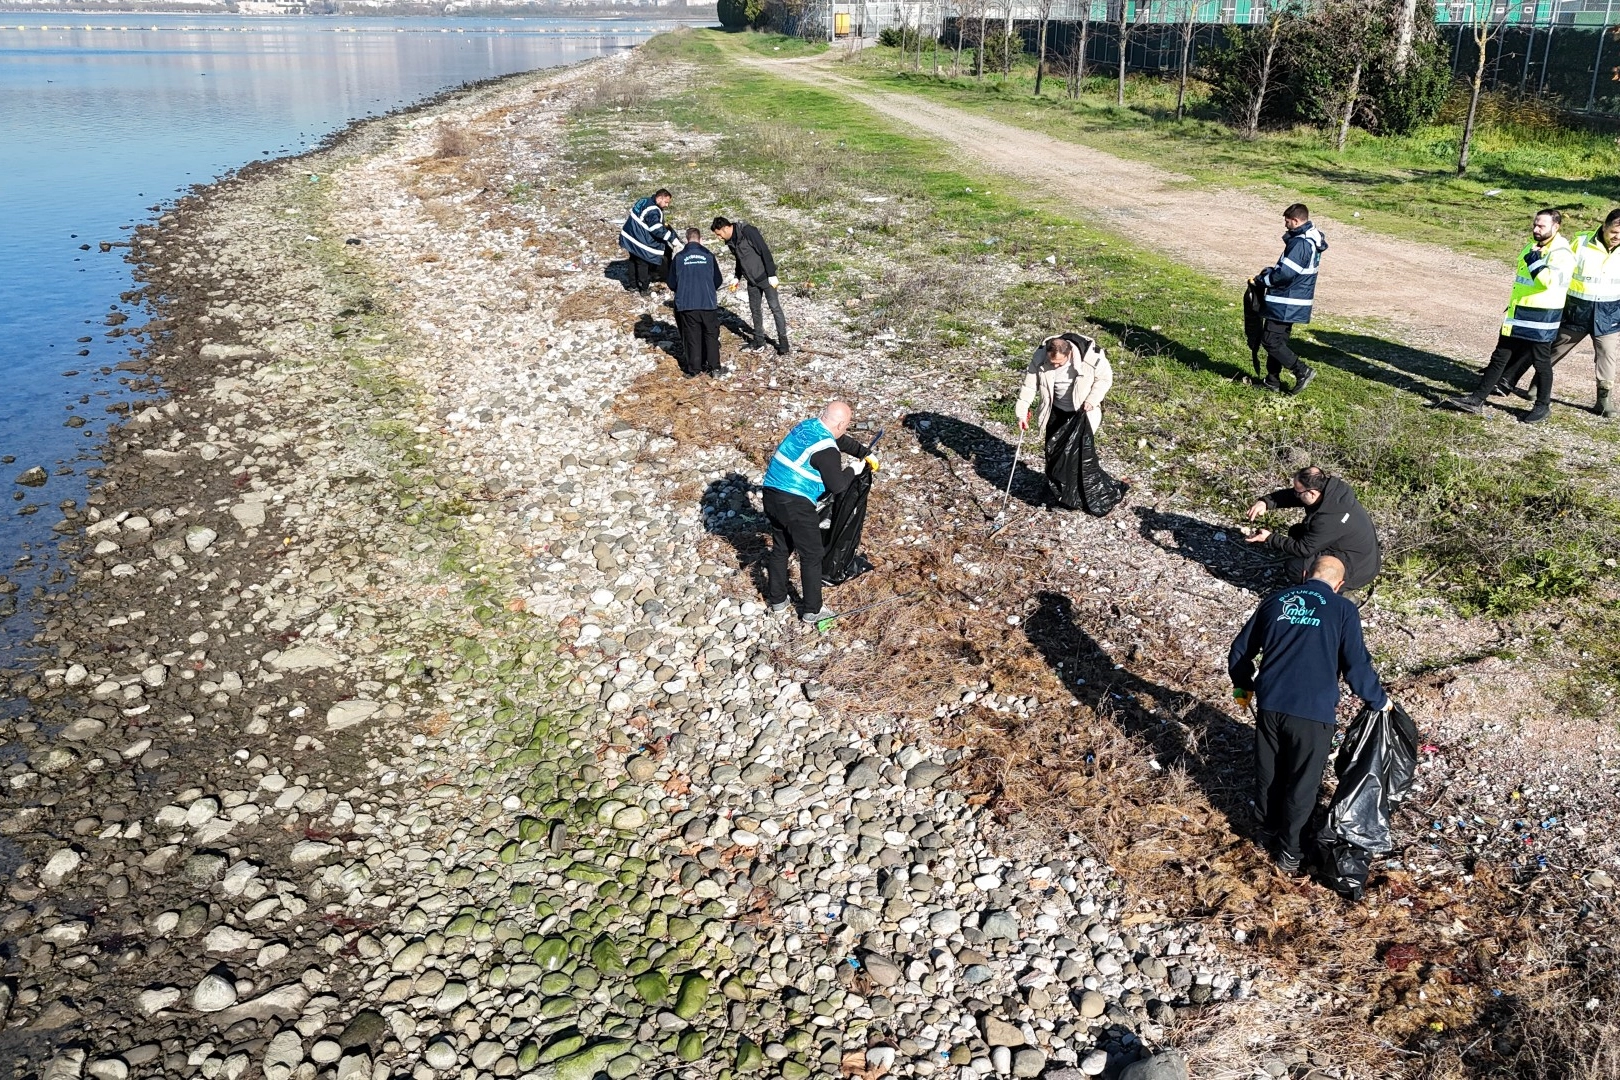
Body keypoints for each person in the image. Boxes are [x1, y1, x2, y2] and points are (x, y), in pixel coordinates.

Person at [1228, 555, 1390, 875]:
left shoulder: (1275, 600)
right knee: (1302, 784)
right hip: (1313, 713)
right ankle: (1289, 852)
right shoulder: (1343, 609)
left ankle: (1265, 832)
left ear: (1305, 575)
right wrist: (1379, 701)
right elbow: (1356, 668)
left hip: (1271, 705)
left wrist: (1242, 690)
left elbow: (1239, 653)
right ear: (1340, 585)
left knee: (1269, 772)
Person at [1439, 208, 1575, 424]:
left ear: (1556, 227)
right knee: (1499, 356)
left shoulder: (1562, 254)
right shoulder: (1533, 247)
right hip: (1518, 312)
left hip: (1541, 317)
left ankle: (1542, 406)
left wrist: (1534, 259)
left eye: (1541, 226)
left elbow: (1548, 281)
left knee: (1541, 363)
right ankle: (1476, 399)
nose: (1536, 229)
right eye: (1534, 224)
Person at [761, 401, 878, 624]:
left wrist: (863, 452)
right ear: (842, 423)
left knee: (781, 547)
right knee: (812, 555)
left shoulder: (808, 426)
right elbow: (838, 486)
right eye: (846, 425)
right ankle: (812, 610)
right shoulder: (827, 451)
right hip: (795, 503)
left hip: (771, 494)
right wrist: (854, 469)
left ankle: (777, 600)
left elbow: (838, 439)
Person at [1499, 207, 1620, 417]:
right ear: (1604, 226)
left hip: (1609, 313)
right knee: (1553, 348)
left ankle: (1604, 400)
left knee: (1607, 355)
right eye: (1614, 232)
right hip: (1576, 309)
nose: (1617, 238)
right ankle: (1537, 384)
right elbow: (1558, 267)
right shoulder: (1581, 242)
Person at [1014, 332, 1126, 516]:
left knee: (1074, 456)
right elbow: (1029, 385)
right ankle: (1058, 489)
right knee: (1054, 451)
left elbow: (1105, 379)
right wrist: (1021, 414)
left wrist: (1092, 399)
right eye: (1052, 363)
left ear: (1070, 354)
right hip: (1055, 410)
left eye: (1059, 363)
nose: (1054, 366)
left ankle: (1071, 498)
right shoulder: (1041, 356)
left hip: (1082, 413)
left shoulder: (1092, 357)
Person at [1244, 466, 1380, 592]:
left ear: (1313, 493)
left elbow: (1303, 548)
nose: (1295, 495)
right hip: (1355, 553)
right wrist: (1266, 502)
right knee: (1297, 531)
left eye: (1298, 493)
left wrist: (1269, 538)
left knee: (1295, 568)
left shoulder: (1330, 518)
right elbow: (1291, 496)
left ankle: (1333, 593)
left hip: (1357, 569)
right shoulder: (1331, 494)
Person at [1250, 203, 1327, 395]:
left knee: (1270, 341)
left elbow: (1285, 274)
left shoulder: (1301, 243)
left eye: (1287, 221)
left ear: (1296, 220)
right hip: (1293, 302)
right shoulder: (1311, 240)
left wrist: (1263, 280)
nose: (1285, 225)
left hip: (1286, 302)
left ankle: (1302, 371)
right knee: (1278, 341)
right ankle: (1272, 381)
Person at [712, 216, 790, 356]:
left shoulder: (748, 231)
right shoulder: (730, 241)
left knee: (775, 308)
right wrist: (737, 277)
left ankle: (783, 342)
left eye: (719, 234)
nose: (719, 238)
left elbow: (764, 251)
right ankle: (759, 340)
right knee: (755, 310)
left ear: (725, 228)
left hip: (765, 278)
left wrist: (771, 274)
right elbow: (739, 260)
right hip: (751, 280)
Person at [667, 228, 724, 378]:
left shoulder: (679, 258)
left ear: (687, 239)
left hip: (687, 304)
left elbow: (671, 283)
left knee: (692, 336)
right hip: (708, 303)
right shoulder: (708, 256)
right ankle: (715, 368)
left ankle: (694, 370)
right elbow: (718, 280)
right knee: (711, 335)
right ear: (701, 239)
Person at [618, 188, 675, 297]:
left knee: (633, 260)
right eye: (666, 202)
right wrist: (672, 239)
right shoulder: (653, 210)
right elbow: (657, 229)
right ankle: (643, 287)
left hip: (629, 236)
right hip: (638, 240)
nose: (667, 205)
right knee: (643, 262)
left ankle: (632, 285)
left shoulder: (643, 200)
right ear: (659, 198)